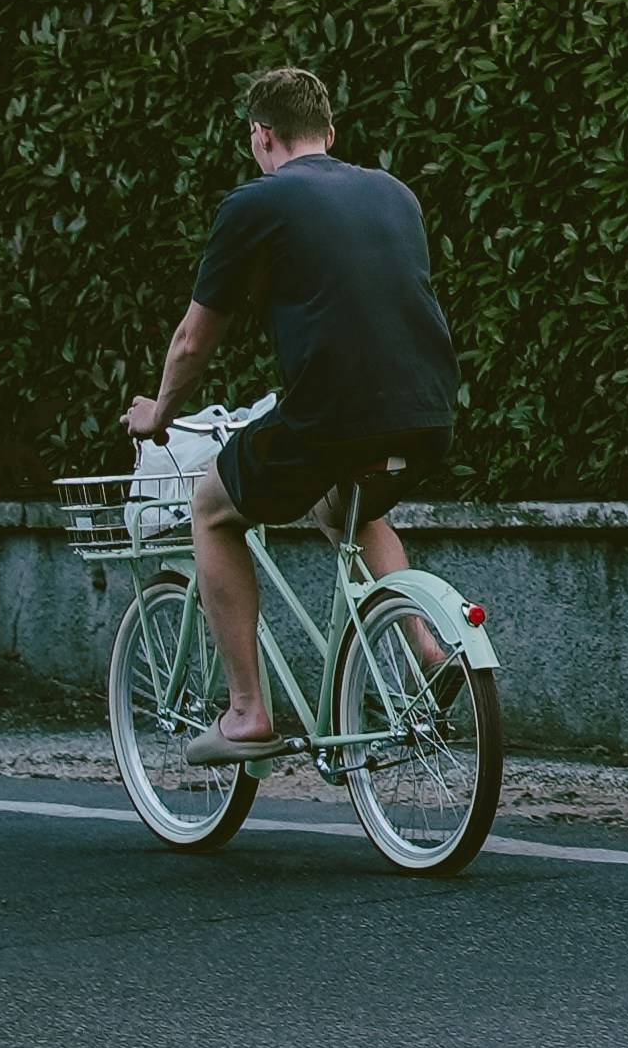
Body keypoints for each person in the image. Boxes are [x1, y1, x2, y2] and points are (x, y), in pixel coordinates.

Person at [124, 67, 462, 762]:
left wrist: (158, 412)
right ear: (330, 133)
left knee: (213, 509)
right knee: (349, 510)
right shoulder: (395, 193)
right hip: (429, 410)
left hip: (330, 415)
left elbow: (193, 339)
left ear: (261, 134)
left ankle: (247, 712)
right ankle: (426, 647)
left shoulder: (256, 204)